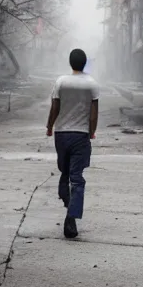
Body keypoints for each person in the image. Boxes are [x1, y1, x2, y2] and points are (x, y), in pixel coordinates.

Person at [46, 49, 99, 239]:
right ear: (84, 63)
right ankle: (71, 215)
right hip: (80, 135)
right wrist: (91, 131)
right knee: (77, 178)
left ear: (70, 63)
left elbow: (55, 107)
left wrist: (49, 126)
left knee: (65, 172)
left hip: (62, 134)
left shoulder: (61, 82)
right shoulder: (91, 84)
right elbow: (93, 113)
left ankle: (69, 207)